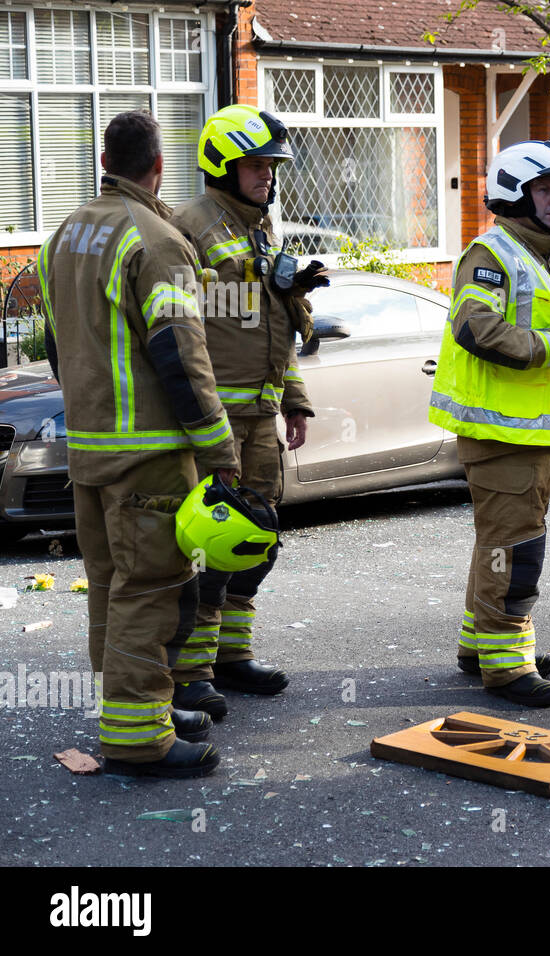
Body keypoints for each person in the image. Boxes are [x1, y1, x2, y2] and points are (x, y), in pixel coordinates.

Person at [37, 110, 238, 777]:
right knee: (150, 588)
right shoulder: (158, 240)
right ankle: (137, 737)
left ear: (105, 158)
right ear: (158, 168)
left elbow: (60, 347)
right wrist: (221, 452)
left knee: (109, 586)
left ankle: (135, 708)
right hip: (148, 453)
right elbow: (181, 357)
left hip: (88, 449)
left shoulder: (62, 236)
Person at [429, 140, 550, 707]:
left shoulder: (532, 255)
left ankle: (481, 646)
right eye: (547, 189)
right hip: (506, 435)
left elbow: (532, 309)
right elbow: (477, 330)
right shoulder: (492, 254)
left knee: (496, 544)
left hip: (528, 433)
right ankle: (507, 666)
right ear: (515, 191)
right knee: (516, 550)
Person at [169, 105, 323, 719]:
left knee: (255, 543)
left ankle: (232, 657)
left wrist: (295, 399)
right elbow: (178, 332)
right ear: (223, 164)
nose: (267, 176)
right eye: (256, 166)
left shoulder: (261, 230)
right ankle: (192, 672)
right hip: (217, 423)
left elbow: (275, 326)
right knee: (212, 546)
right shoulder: (189, 227)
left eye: (271, 167)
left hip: (261, 417)